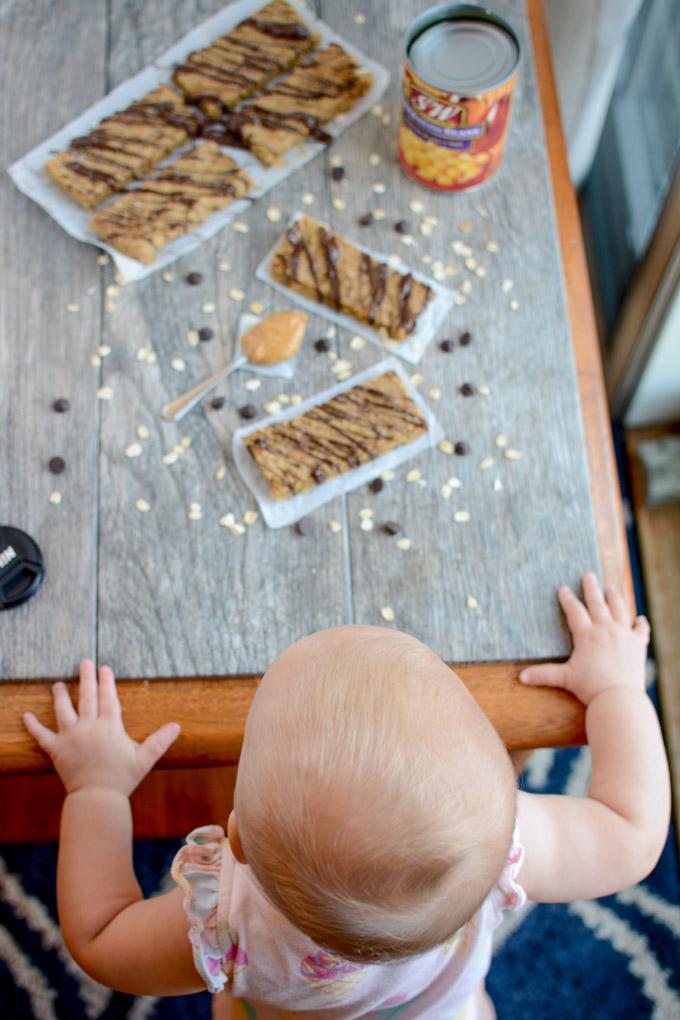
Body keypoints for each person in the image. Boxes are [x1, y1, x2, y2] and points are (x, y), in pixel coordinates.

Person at [23, 573, 670, 1019]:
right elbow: (631, 829)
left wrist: (98, 788)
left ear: (234, 840)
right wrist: (616, 688)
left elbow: (101, 936)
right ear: (503, 781)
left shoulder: (231, 923)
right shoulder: (502, 845)